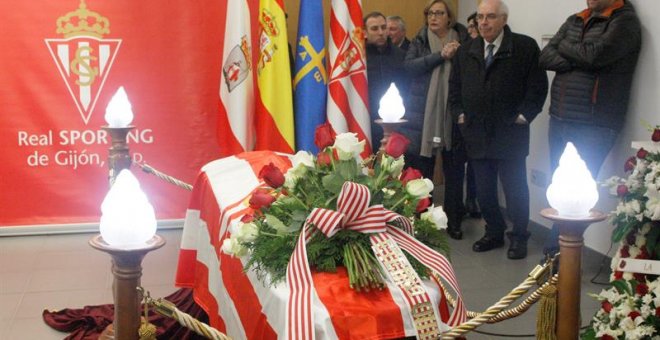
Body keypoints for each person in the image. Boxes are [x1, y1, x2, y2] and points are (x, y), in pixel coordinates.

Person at [539, 0, 641, 257]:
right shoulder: (577, 18)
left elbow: (595, 55)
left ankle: (559, 257)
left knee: (577, 195)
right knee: (558, 188)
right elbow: (546, 55)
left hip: (594, 123)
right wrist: (579, 57)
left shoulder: (624, 21)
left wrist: (566, 48)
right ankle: (557, 255)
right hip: (561, 117)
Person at [448, 0, 548, 259]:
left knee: (515, 189)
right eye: (480, 17)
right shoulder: (467, 50)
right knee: (484, 190)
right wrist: (459, 114)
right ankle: (494, 232)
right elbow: (455, 87)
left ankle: (518, 237)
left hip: (510, 132)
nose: (484, 22)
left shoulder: (524, 47)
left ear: (503, 19)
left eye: (490, 17)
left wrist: (526, 115)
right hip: (476, 132)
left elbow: (537, 86)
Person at [402, 0, 469, 239]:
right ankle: (424, 219)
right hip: (422, 116)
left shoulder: (464, 41)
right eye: (430, 13)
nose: (434, 17)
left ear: (449, 18)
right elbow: (409, 68)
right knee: (422, 172)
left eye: (439, 13)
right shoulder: (419, 40)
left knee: (454, 172)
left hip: (453, 116)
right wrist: (440, 56)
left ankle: (454, 220)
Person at [364, 12, 407, 149]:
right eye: (375, 29)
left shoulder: (400, 55)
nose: (381, 32)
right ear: (364, 33)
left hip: (395, 124)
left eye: (384, 27)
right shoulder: (359, 58)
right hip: (365, 120)